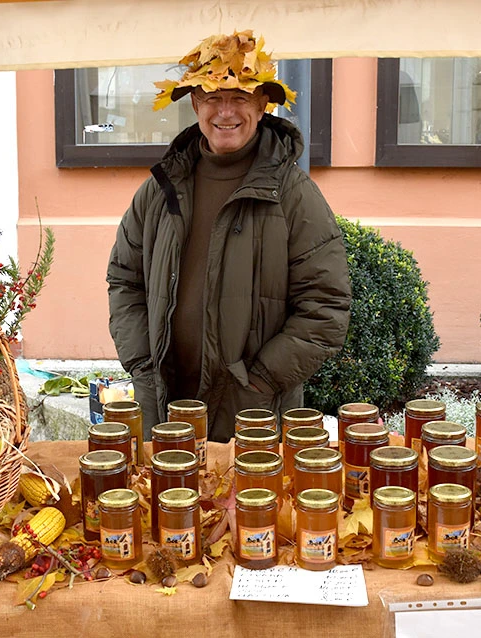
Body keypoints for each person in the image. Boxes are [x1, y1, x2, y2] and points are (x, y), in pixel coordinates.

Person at [106, 30, 351, 441]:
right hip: (164, 403)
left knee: (248, 505)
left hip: (252, 411)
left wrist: (258, 381)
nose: (225, 112)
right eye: (213, 97)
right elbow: (124, 280)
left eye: (239, 97)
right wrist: (144, 366)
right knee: (168, 502)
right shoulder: (161, 187)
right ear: (196, 103)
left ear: (261, 104)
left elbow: (326, 306)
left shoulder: (292, 193)